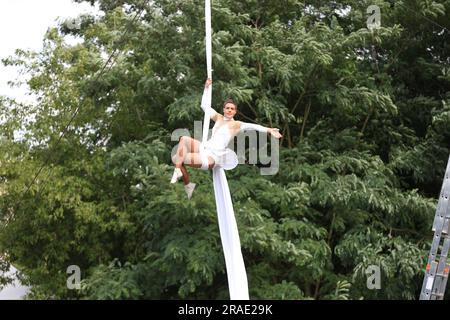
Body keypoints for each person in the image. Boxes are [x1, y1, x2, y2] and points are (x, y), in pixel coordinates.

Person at [171, 79, 283, 199]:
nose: (229, 110)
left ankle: (185, 182)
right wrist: (206, 88)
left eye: (232, 109)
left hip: (212, 157)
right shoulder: (218, 117)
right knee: (183, 141)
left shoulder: (236, 125)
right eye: (227, 108)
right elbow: (204, 106)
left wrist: (269, 130)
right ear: (224, 109)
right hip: (205, 147)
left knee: (178, 158)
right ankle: (185, 179)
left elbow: (254, 126)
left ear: (235, 112)